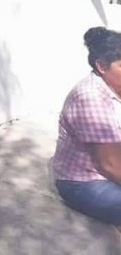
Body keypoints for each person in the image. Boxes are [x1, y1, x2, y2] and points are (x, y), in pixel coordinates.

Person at [53, 26, 121, 226]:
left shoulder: (116, 86)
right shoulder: (91, 98)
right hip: (84, 181)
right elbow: (109, 165)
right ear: (101, 66)